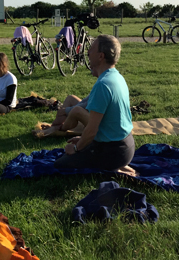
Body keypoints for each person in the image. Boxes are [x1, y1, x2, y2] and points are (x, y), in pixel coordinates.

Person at [55, 35, 135, 174]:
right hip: (126, 145)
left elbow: (92, 130)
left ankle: (116, 168)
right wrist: (83, 140)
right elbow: (109, 125)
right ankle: (119, 165)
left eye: (91, 49)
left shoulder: (103, 85)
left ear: (101, 56)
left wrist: (76, 149)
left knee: (60, 164)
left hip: (114, 151)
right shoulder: (116, 77)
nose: (87, 52)